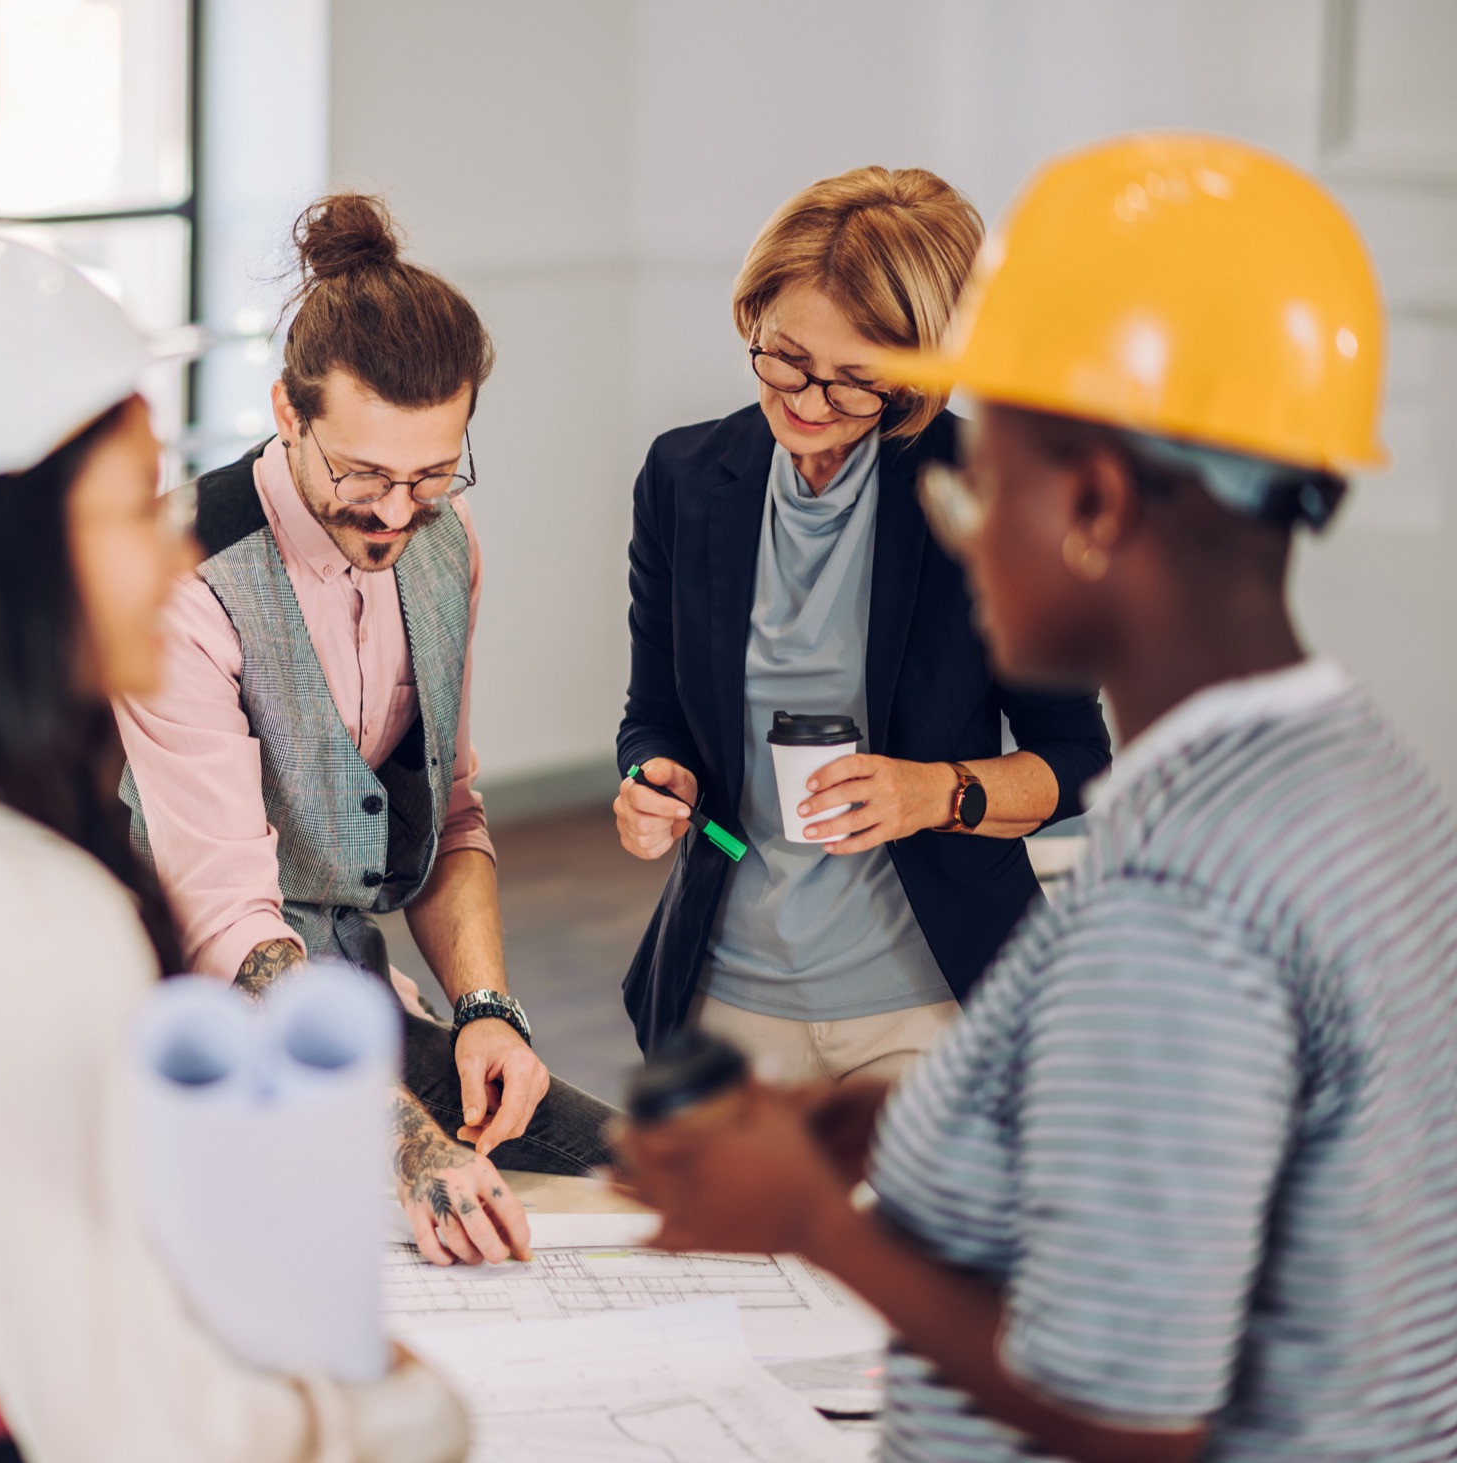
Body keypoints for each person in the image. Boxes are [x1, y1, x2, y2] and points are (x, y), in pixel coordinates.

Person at [618, 133, 1457, 1461]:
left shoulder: (1178, 898)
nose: (956, 516)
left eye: (979, 483)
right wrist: (893, 1125)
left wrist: (812, 1218)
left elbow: (1128, 1413)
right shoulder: (1346, 779)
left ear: (1093, 504)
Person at [0, 220, 468, 1463]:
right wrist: (390, 1413)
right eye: (127, 508)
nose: (169, 547)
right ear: (2, 552)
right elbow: (118, 1412)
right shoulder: (29, 921)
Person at [113, 193, 617, 1265]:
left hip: (350, 1000)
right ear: (287, 414)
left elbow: (448, 811)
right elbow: (225, 923)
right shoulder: (179, 575)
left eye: (430, 474)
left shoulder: (445, 542)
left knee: (623, 1174)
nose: (396, 512)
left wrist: (486, 1010)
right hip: (189, 1028)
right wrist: (410, 1145)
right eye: (365, 473)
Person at [613, 166, 1110, 1072]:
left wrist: (937, 793)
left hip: (931, 1003)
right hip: (728, 992)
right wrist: (654, 778)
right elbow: (653, 717)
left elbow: (1077, 759)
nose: (808, 403)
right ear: (754, 315)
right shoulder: (683, 479)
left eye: (854, 383)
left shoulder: (1002, 499)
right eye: (786, 358)